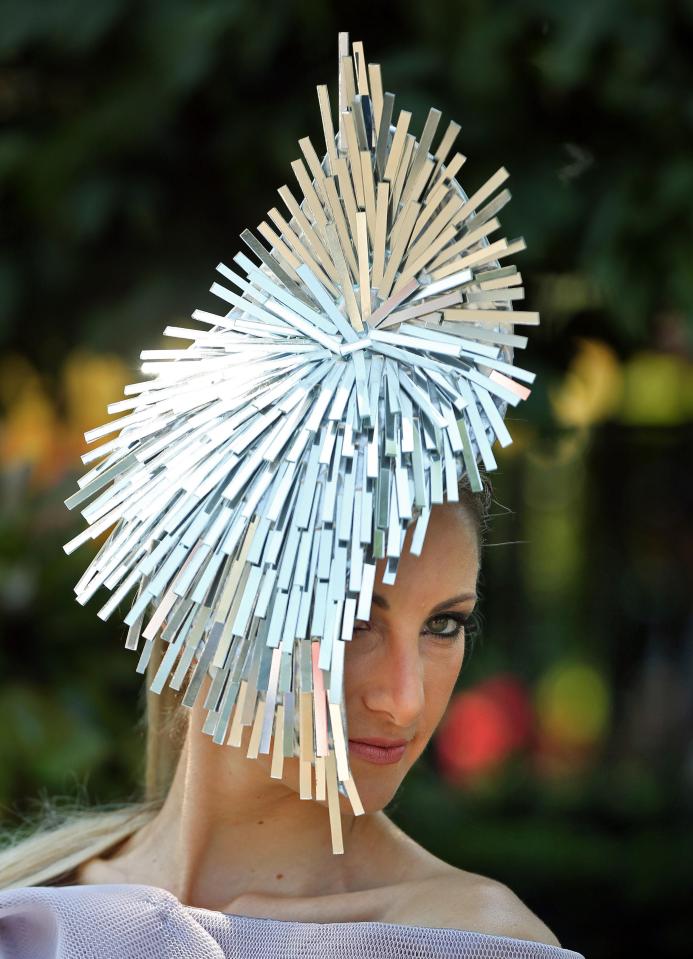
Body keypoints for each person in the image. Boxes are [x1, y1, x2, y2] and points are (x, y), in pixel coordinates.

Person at [0, 32, 587, 959]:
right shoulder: (29, 908)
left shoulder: (475, 944)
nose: (402, 699)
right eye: (353, 614)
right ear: (188, 592)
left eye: (445, 624)